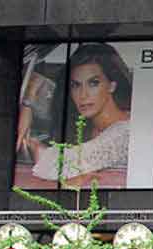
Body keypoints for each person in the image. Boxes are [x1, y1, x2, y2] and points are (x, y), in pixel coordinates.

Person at [18, 42, 132, 186]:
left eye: (93, 83)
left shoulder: (125, 132)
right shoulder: (82, 124)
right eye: (76, 85)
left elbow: (61, 165)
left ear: (112, 85)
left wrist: (34, 145)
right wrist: (28, 103)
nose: (83, 95)